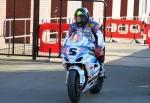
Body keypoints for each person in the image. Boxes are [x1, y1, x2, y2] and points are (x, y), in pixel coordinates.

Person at [65, 7, 105, 77]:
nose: (80, 20)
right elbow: (68, 36)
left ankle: (101, 67)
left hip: (92, 44)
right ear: (75, 18)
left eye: (82, 18)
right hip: (78, 44)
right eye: (78, 18)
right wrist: (64, 45)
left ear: (87, 17)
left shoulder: (92, 24)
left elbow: (99, 35)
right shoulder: (73, 25)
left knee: (101, 50)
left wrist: (99, 46)